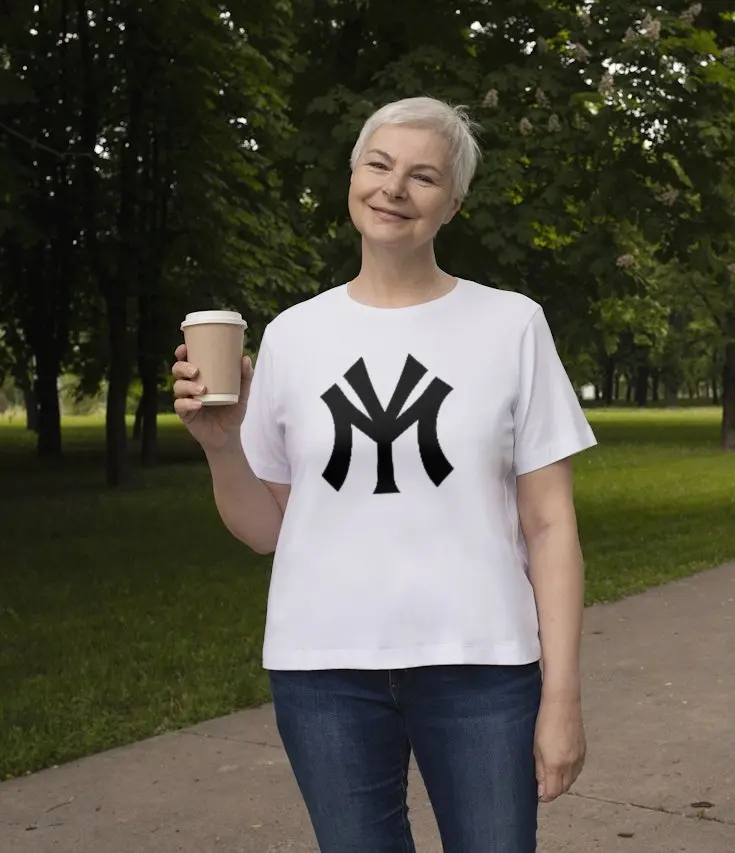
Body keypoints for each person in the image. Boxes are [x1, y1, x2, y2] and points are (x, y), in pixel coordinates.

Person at [170, 96, 597, 852]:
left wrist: (561, 695)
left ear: (453, 204)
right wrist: (219, 443)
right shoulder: (295, 335)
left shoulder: (512, 325)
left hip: (481, 664)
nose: (395, 187)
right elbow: (268, 529)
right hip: (324, 669)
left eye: (423, 176)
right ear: (353, 176)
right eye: (379, 164)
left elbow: (551, 523)